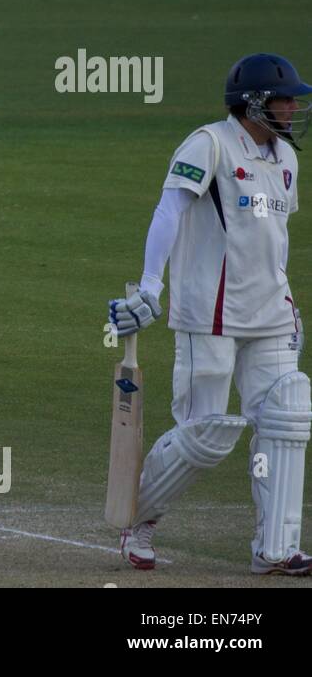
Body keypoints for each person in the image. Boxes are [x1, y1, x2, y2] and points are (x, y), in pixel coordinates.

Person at [109, 52, 312, 574]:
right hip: (211, 316)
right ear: (255, 103)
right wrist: (152, 286)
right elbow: (169, 209)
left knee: (285, 419)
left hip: (271, 317)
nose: (294, 108)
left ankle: (275, 549)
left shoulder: (286, 160)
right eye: (286, 99)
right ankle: (140, 520)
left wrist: (288, 309)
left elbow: (272, 240)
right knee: (203, 436)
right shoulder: (210, 144)